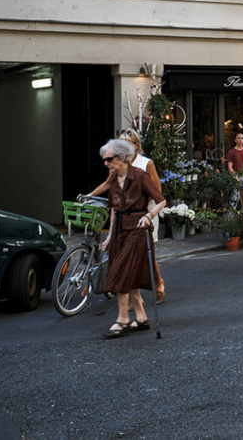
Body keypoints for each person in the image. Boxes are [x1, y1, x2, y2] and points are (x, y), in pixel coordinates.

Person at [87, 130, 166, 304]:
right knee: (129, 257)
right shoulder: (117, 164)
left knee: (146, 254)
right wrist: (90, 194)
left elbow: (157, 191)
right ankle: (134, 303)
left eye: (125, 143)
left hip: (145, 212)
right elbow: (110, 185)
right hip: (125, 217)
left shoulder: (145, 164)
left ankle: (157, 284)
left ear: (135, 146)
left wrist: (144, 207)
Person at [98, 138, 165, 338]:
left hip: (137, 229)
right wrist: (109, 236)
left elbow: (161, 201)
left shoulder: (140, 176)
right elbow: (114, 210)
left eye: (109, 159)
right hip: (119, 231)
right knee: (130, 275)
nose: (106, 164)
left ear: (121, 158)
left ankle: (123, 320)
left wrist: (148, 216)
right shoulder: (113, 180)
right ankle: (142, 317)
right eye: (105, 160)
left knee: (120, 272)